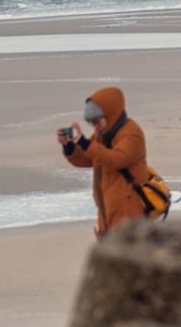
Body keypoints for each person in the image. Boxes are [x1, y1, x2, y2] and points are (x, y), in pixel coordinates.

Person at [58, 86, 154, 238]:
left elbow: (116, 159)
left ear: (110, 115)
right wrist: (69, 146)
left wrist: (84, 143)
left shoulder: (131, 134)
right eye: (91, 123)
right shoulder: (102, 135)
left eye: (97, 122)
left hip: (130, 219)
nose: (95, 127)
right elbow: (87, 158)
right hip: (107, 216)